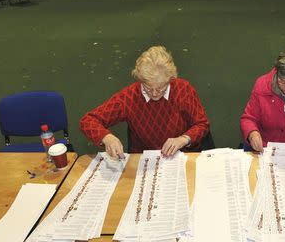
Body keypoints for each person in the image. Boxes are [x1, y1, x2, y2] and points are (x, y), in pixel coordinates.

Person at [80, 46, 210, 158]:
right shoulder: (129, 97)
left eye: (161, 88)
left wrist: (183, 139)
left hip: (182, 155)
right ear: (140, 80)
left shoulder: (183, 90)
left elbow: (202, 124)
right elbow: (88, 120)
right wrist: (107, 137)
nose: (154, 94)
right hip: (145, 159)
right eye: (148, 88)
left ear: (170, 79)